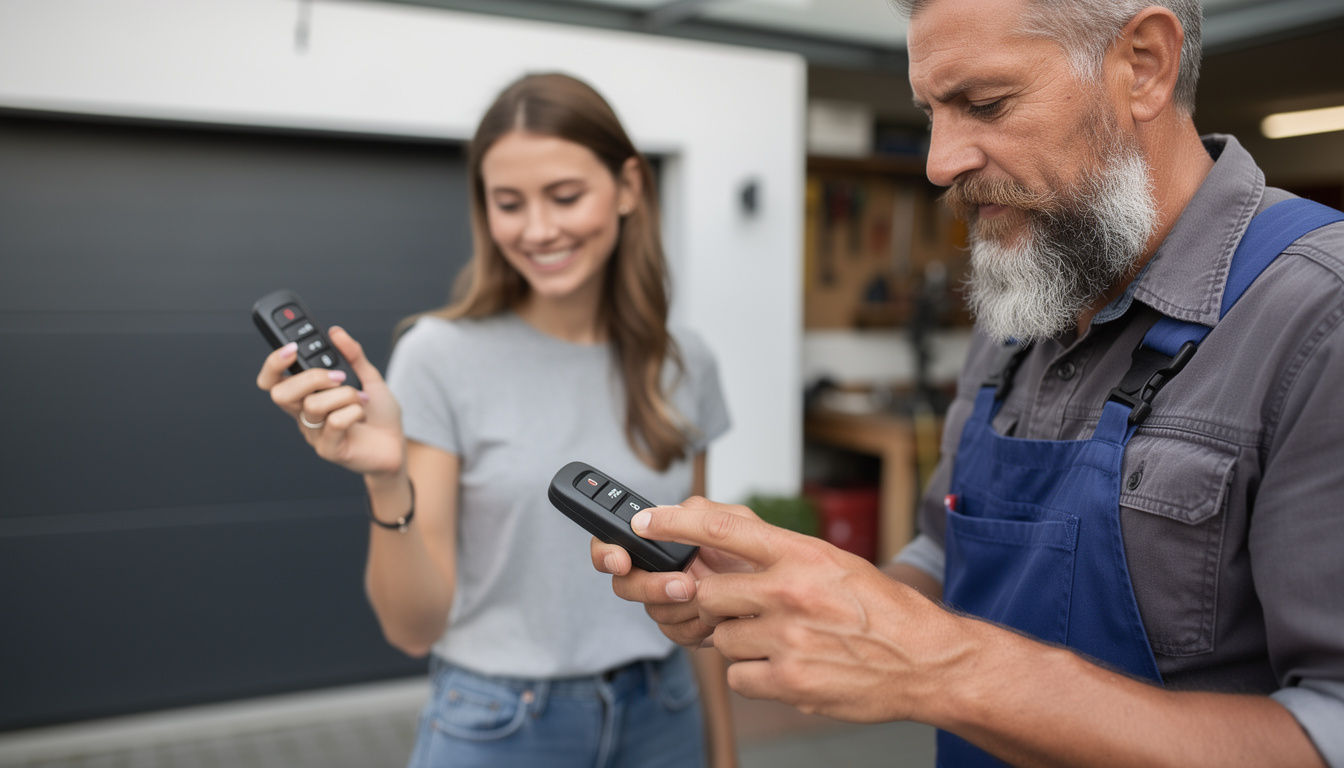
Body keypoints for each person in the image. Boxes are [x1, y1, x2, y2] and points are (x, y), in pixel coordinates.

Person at [591, 1, 1344, 766]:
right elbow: (946, 553)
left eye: (985, 105)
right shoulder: (1025, 297)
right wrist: (802, 597)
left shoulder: (1321, 319)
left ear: (1144, 64)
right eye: (931, 114)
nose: (939, 163)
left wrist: (947, 668)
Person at [257, 72, 737, 768]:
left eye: (564, 196)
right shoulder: (439, 356)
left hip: (666, 714)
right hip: (503, 726)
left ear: (629, 186)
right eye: (509, 203)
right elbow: (413, 627)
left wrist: (723, 754)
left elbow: (700, 586)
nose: (538, 229)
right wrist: (387, 478)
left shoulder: (686, 361)